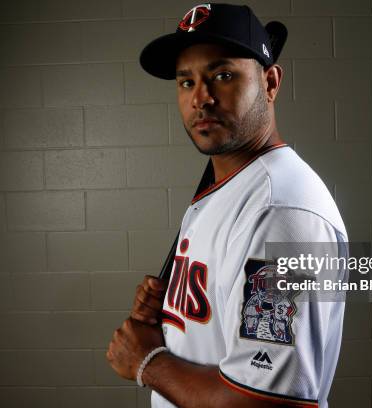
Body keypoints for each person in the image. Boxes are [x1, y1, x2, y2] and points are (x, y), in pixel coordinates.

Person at [106, 3, 348, 407]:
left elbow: (263, 403)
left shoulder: (280, 214)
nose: (201, 99)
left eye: (222, 75)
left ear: (270, 83)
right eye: (186, 82)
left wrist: (147, 361)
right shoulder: (229, 188)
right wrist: (172, 315)